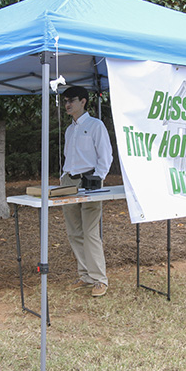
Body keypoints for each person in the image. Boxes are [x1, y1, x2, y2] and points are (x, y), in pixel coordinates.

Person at [60, 86, 113, 297]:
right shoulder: (69, 129)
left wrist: (97, 180)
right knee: (74, 231)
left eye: (71, 100)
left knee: (90, 232)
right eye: (65, 101)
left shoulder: (95, 125)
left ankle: (100, 279)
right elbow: (68, 158)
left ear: (83, 101)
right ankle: (85, 276)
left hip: (89, 180)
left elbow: (106, 156)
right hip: (68, 181)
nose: (67, 104)